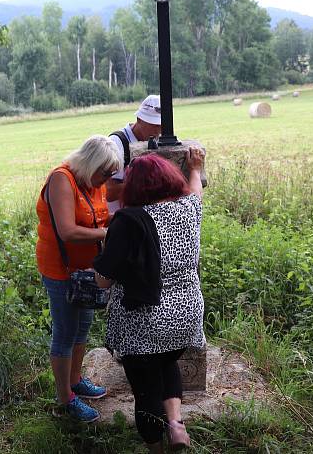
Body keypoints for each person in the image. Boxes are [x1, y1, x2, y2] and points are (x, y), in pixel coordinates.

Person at [93, 148, 205, 452]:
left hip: (144, 322)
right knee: (167, 360)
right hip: (186, 314)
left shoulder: (128, 222)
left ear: (134, 187)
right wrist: (195, 168)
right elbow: (196, 192)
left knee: (145, 392)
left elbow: (104, 279)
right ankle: (176, 424)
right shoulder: (188, 207)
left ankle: (156, 447)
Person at [35, 135, 121, 423]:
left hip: (85, 269)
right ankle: (66, 398)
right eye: (105, 173)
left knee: (83, 326)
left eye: (112, 174)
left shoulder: (92, 182)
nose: (108, 179)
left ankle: (75, 380)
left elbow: (99, 217)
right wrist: (108, 235)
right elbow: (68, 231)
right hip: (61, 269)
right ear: (91, 163)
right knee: (66, 331)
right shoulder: (62, 179)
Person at [106, 95, 163, 214]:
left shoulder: (159, 140)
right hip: (119, 219)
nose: (158, 131)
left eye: (162, 126)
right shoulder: (116, 143)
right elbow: (108, 192)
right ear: (139, 120)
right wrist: (147, 185)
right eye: (154, 125)